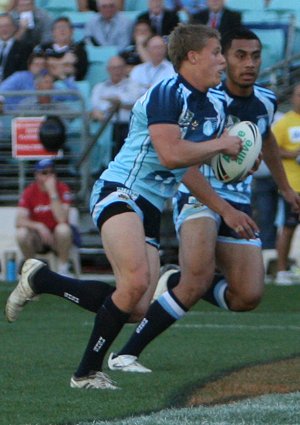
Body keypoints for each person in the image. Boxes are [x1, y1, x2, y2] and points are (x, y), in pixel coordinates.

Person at [5, 24, 258, 390]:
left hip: (152, 206)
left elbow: (187, 167)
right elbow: (171, 153)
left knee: (136, 306)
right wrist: (221, 146)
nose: (223, 60)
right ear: (193, 57)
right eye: (217, 52)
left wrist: (227, 205)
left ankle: (41, 279)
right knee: (137, 281)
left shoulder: (216, 105)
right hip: (119, 190)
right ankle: (86, 373)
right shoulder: (166, 93)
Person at [105, 27, 300, 373]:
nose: (248, 64)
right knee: (197, 278)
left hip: (238, 197)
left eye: (255, 56)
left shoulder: (266, 99)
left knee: (248, 296)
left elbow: (264, 136)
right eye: (238, 55)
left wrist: (283, 186)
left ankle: (175, 280)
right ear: (220, 56)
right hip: (197, 192)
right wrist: (218, 204)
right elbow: (181, 158)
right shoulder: (206, 96)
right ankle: (126, 354)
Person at [15, 159, 75, 276]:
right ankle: (31, 269)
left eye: (51, 172)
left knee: (63, 229)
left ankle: (63, 269)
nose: (49, 176)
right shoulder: (29, 191)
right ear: (36, 175)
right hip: (38, 238)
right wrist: (39, 226)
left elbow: (62, 219)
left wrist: (52, 193)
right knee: (21, 233)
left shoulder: (62, 188)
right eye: (44, 173)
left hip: (57, 238)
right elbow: (19, 220)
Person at [272, 82, 300, 285]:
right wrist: (291, 154)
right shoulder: (284, 123)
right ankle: (281, 270)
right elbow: (271, 148)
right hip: (293, 186)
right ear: (292, 98)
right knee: (288, 227)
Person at [90, 55, 143, 157]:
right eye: (113, 68)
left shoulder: (133, 85)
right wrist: (117, 103)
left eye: (119, 67)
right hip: (106, 125)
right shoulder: (99, 87)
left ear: (124, 69)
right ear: (108, 70)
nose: (117, 71)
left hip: (127, 126)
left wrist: (115, 101)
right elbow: (96, 106)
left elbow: (133, 100)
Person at [35, 16, 88, 81]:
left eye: (65, 27)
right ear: (52, 32)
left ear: (72, 31)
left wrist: (51, 64)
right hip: (44, 85)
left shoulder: (79, 49)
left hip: (69, 87)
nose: (62, 30)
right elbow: (36, 67)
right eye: (58, 27)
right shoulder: (43, 48)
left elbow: (79, 71)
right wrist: (63, 62)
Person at [0, 12, 33, 82]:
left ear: (14, 27)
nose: (4, 29)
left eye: (7, 26)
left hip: (13, 88)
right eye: (1, 26)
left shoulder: (24, 48)